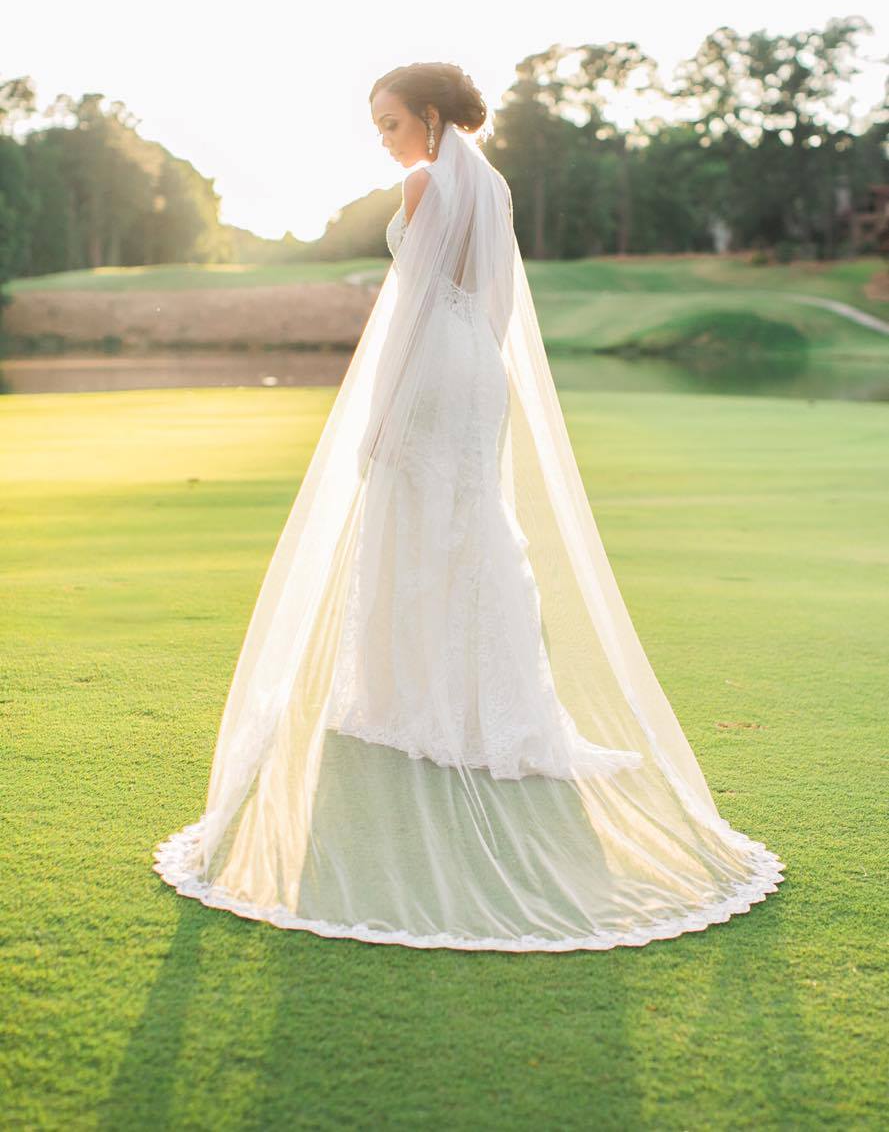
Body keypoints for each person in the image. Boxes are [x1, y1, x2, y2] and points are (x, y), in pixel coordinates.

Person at [153, 62, 784, 951]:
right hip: (474, 369)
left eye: (388, 120)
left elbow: (408, 306)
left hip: (426, 368)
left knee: (411, 524)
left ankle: (412, 696)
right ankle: (489, 704)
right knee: (473, 524)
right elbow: (487, 302)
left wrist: (376, 415)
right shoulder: (490, 186)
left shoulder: (423, 182)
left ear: (428, 115)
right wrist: (471, 369)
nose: (383, 136)